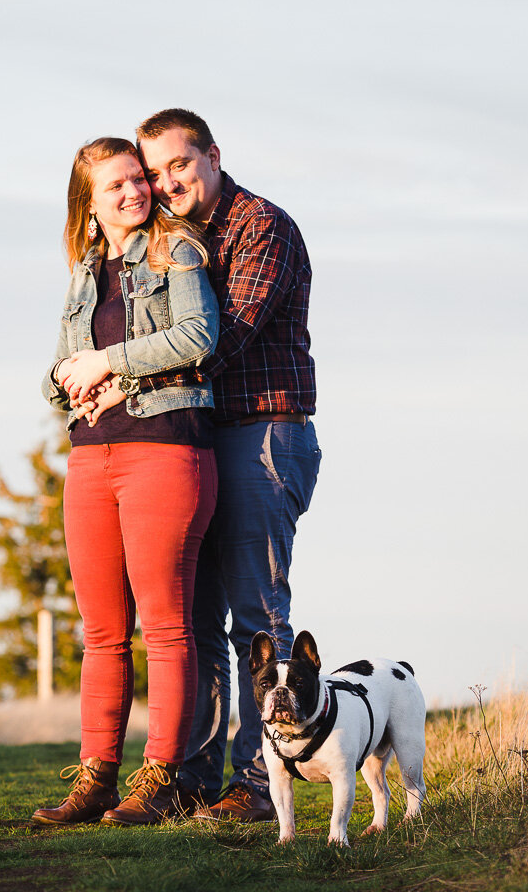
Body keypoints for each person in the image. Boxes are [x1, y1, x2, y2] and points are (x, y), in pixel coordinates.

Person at [133, 108, 322, 823]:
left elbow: (225, 336)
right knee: (198, 619)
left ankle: (259, 779)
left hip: (262, 435)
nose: (166, 181)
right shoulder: (178, 240)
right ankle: (195, 777)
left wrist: (124, 376)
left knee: (257, 616)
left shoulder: (260, 226)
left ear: (212, 155)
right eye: (154, 173)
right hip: (200, 440)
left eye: (178, 164)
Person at [31, 137, 220, 827]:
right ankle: (97, 780)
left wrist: (112, 364)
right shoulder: (84, 271)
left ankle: (162, 779)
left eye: (138, 180)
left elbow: (200, 335)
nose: (136, 192)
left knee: (167, 627)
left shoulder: (178, 251)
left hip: (166, 449)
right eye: (116, 186)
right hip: (91, 457)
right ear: (90, 203)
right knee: (102, 631)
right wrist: (65, 379)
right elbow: (57, 373)